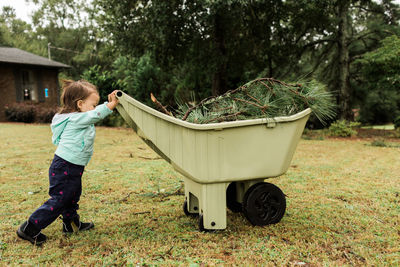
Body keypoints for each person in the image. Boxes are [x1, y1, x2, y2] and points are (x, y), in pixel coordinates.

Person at [16, 79, 119, 246]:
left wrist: (109, 103)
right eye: (93, 105)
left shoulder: (79, 117)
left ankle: (70, 225)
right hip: (65, 165)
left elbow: (92, 114)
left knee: (72, 196)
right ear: (80, 104)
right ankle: (30, 228)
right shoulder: (76, 119)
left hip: (72, 166)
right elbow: (94, 115)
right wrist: (110, 105)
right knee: (60, 199)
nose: (94, 108)